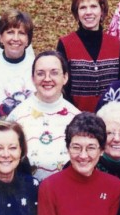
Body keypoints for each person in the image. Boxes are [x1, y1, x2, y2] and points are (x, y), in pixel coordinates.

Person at [8, 50, 79, 180]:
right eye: (40, 73)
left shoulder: (76, 118)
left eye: (54, 73)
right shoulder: (16, 117)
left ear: (65, 77)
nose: (47, 79)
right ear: (33, 78)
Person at [57, 0, 120, 112]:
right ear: (77, 13)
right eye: (83, 7)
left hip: (110, 119)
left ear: (102, 11)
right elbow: (62, 86)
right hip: (75, 117)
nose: (88, 12)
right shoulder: (65, 44)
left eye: (93, 6)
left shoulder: (116, 44)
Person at [0, 8, 35, 118]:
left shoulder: (37, 67)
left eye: (21, 33)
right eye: (10, 32)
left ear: (28, 40)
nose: (16, 38)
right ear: (0, 38)